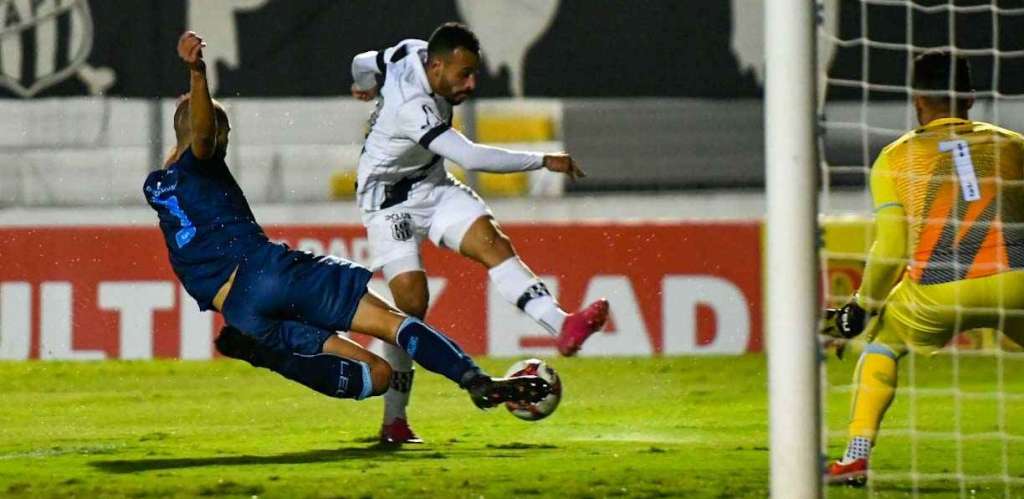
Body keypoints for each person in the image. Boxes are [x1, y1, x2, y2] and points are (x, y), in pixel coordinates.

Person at [144, 31, 551, 416]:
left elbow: (187, 137)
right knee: (395, 324)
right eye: (224, 133)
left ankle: (264, 355)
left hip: (241, 313)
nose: (224, 141)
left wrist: (191, 108)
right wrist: (197, 73)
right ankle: (473, 379)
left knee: (377, 377)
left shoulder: (161, 187)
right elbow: (200, 135)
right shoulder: (203, 160)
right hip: (266, 273)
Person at [349, 22, 609, 444]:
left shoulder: (408, 51)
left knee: (493, 244)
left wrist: (361, 84)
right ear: (435, 67)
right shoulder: (410, 105)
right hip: (387, 202)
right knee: (410, 307)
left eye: (473, 74)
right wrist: (543, 160)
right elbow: (469, 154)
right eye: (462, 74)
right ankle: (394, 421)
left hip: (431, 184)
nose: (469, 84)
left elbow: (363, 61)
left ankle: (562, 325)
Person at [822, 51, 1024, 486]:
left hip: (937, 292)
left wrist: (862, 306)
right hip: (1018, 284)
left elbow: (892, 249)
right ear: (970, 98)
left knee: (884, 343)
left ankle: (856, 455)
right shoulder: (1015, 144)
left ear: (917, 100)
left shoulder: (894, 159)